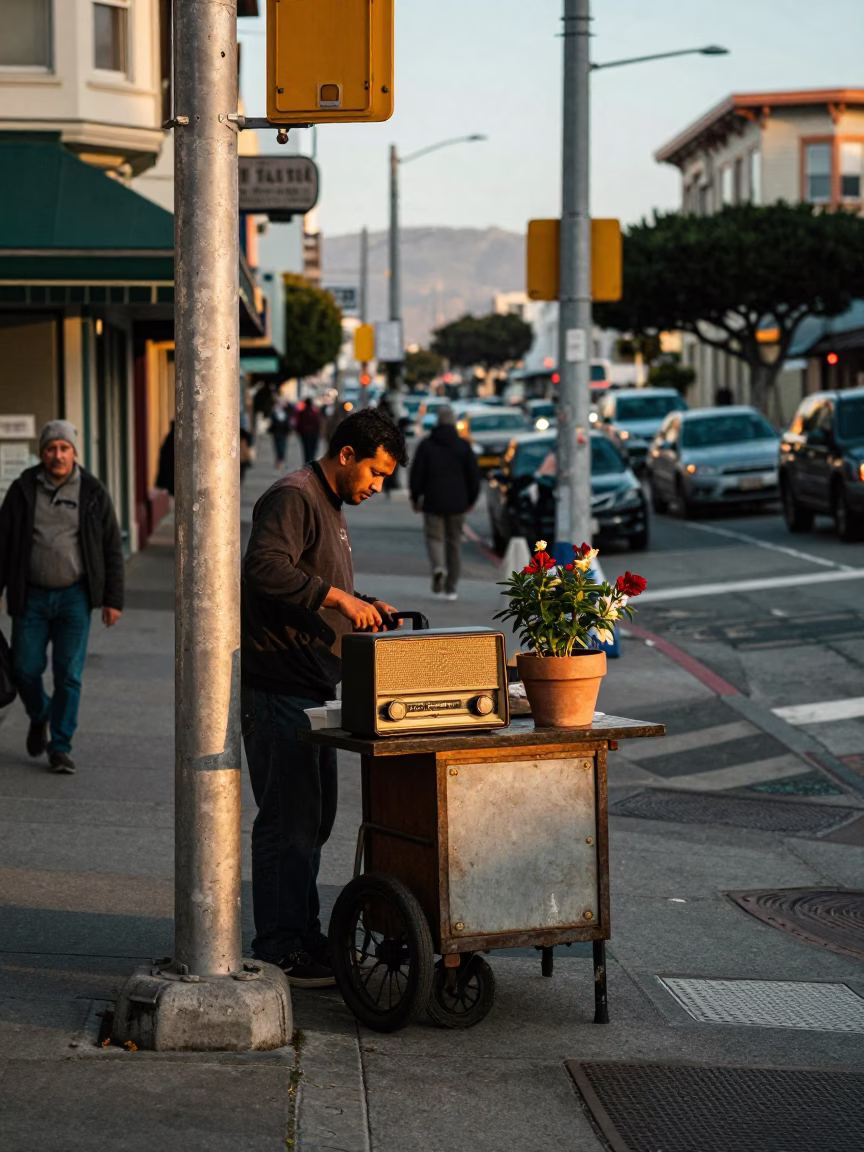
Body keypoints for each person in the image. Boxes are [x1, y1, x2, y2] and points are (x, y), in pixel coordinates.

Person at [241, 408, 408, 987]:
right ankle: (279, 946)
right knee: (288, 823)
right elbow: (263, 568)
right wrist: (338, 598)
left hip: (313, 688)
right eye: (375, 474)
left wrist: (363, 602)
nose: (377, 486)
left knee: (313, 823)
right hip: (280, 688)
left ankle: (303, 936)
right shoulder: (294, 496)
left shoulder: (330, 505)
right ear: (346, 456)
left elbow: (313, 578)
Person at [0, 420, 124, 773]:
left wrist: (113, 599)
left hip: (74, 597)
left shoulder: (93, 492)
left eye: (64, 448)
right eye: (51, 448)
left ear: (74, 453)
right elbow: (3, 543)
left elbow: (111, 548)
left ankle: (60, 746)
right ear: (42, 453)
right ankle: (40, 714)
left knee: (69, 673)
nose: (58, 454)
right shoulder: (23, 489)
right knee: (24, 668)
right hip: (31, 596)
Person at [409, 405, 481, 601]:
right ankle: (451, 588)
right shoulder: (464, 446)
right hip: (458, 502)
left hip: (433, 500)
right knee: (454, 543)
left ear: (438, 421)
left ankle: (438, 567)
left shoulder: (427, 445)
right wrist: (471, 499)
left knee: (434, 538)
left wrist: (415, 497)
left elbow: (417, 474)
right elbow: (474, 476)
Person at [268, 401, 291, 471]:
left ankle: (281, 461)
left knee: (282, 447)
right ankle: (279, 461)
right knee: (278, 447)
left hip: (283, 433)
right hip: (277, 433)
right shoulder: (274, 413)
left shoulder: (284, 413)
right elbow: (272, 423)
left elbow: (287, 424)